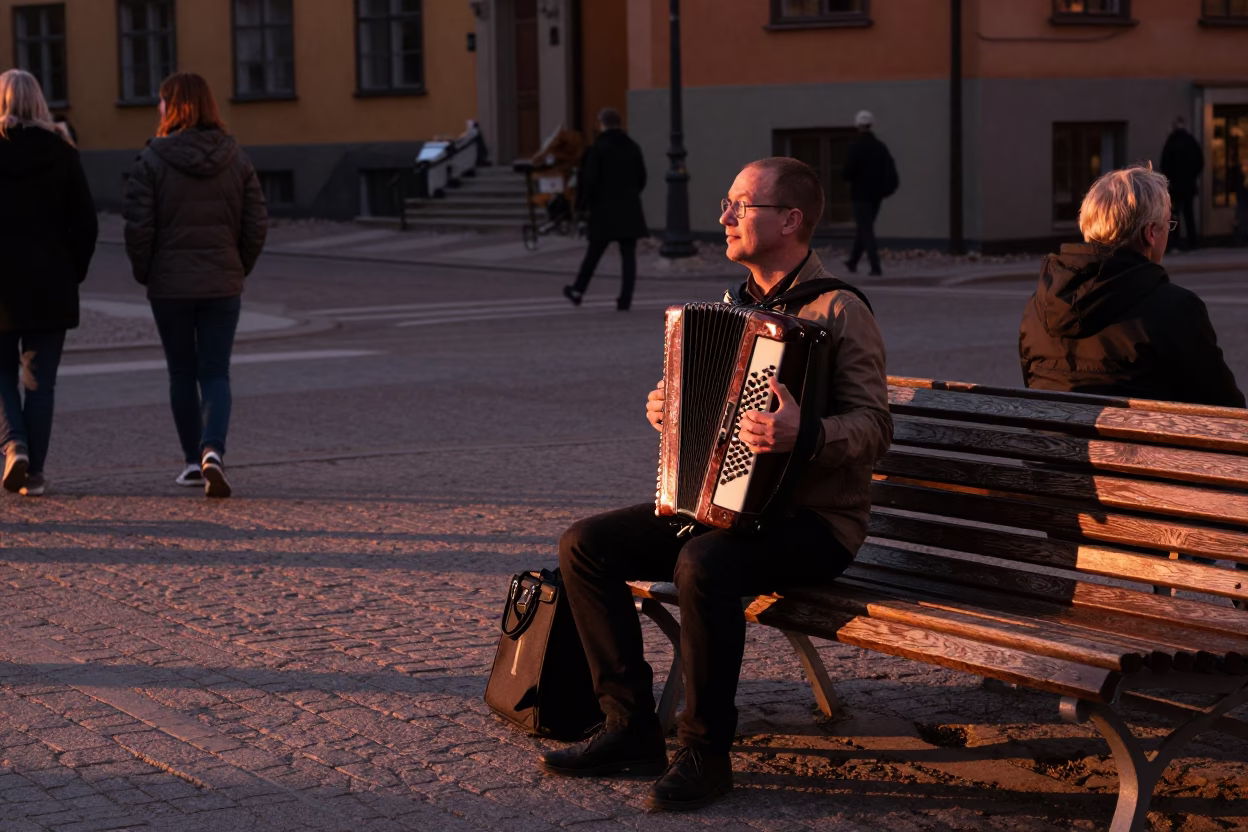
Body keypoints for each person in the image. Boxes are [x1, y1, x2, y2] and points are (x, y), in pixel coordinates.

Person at [540, 157, 892, 810]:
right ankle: (628, 727)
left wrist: (804, 436)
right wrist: (669, 411)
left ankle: (706, 752)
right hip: (726, 510)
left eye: (740, 205)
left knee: (704, 562)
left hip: (816, 525)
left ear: (790, 221)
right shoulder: (734, 307)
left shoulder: (840, 309)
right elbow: (711, 420)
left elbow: (875, 429)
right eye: (727, 204)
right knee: (586, 544)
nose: (723, 217)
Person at [124, 72, 267, 498]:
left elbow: (138, 228)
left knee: (182, 372)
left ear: (172, 107)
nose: (158, 109)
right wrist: (237, 267)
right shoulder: (235, 157)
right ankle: (213, 452)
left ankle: (191, 461)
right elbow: (256, 223)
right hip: (222, 283)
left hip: (170, 287)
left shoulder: (152, 160)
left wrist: (146, 271)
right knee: (216, 371)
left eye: (162, 101)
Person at [1019, 164, 1243, 408]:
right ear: (1150, 234)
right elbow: (1227, 409)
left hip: (1049, 445)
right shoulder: (1176, 308)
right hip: (1140, 447)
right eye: (1168, 224)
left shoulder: (1039, 306)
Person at [0, 69, 98, 497]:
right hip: (51, 285)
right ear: (38, 102)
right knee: (41, 380)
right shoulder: (63, 152)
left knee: (1, 373)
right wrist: (71, 271)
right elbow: (87, 225)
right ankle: (34, 472)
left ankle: (12, 445)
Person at [562, 108, 647, 311]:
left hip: (604, 210)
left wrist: (582, 206)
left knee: (594, 253)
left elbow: (589, 181)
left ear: (602, 123)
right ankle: (625, 299)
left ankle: (578, 290)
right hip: (629, 208)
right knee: (628, 255)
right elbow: (641, 177)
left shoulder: (598, 148)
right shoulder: (632, 146)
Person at [841, 110, 897, 277]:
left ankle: (875, 266)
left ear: (857, 126)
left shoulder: (855, 147)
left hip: (860, 195)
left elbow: (846, 172)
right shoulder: (880, 147)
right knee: (864, 228)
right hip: (876, 196)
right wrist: (884, 190)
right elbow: (890, 171)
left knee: (866, 229)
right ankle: (853, 261)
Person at [1159, 116, 1204, 251]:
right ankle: (1192, 242)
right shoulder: (1191, 142)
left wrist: (1170, 179)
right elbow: (1200, 162)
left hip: (1174, 186)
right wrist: (1192, 176)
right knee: (1188, 213)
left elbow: (1164, 164)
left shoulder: (1171, 142)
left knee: (1174, 214)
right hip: (1188, 185)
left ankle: (1174, 242)